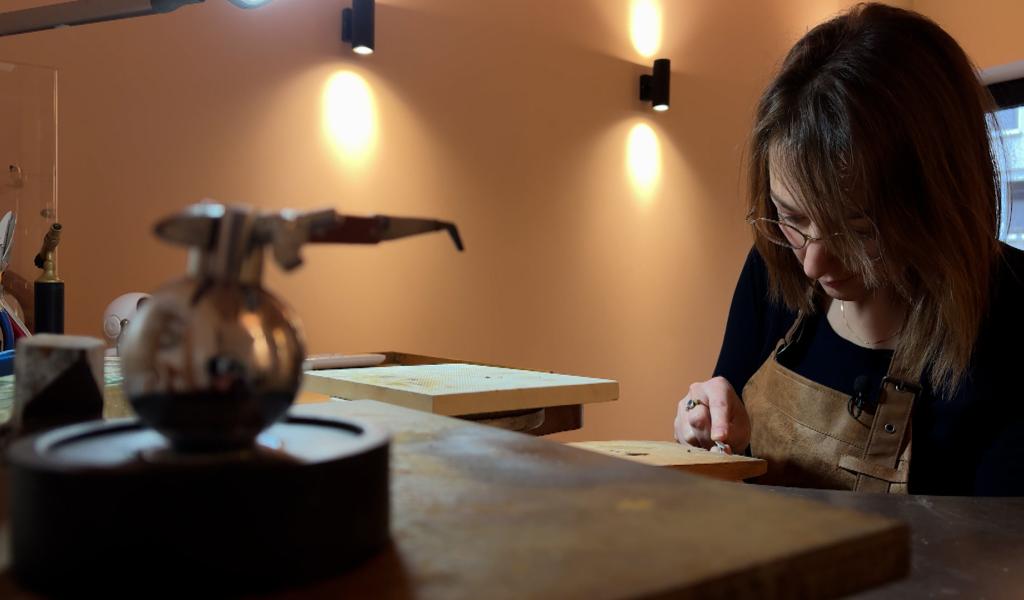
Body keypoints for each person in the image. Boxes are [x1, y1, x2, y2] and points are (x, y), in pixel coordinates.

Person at [673, 2, 1024, 495]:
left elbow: (1003, 558)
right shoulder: (773, 268)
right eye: (791, 217)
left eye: (855, 230)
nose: (813, 264)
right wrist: (702, 418)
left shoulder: (1011, 315)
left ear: (936, 200)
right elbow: (726, 414)